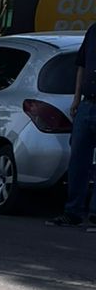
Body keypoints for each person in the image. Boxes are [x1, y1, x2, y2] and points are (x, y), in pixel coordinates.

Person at [47, 19, 96, 229]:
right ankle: (73, 212)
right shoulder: (93, 31)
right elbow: (81, 66)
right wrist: (76, 99)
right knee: (78, 162)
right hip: (87, 103)